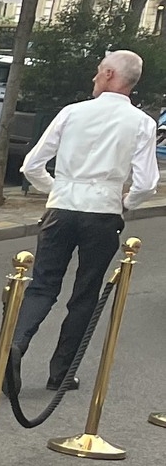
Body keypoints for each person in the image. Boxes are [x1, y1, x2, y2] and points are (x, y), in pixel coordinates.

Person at [9, 49, 159, 393]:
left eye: (97, 71)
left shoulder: (72, 113)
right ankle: (62, 372)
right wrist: (126, 201)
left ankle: (14, 346)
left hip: (61, 208)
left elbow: (32, 164)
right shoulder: (141, 123)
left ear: (109, 74)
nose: (94, 77)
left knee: (43, 284)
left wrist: (57, 188)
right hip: (104, 212)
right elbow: (147, 182)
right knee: (86, 293)